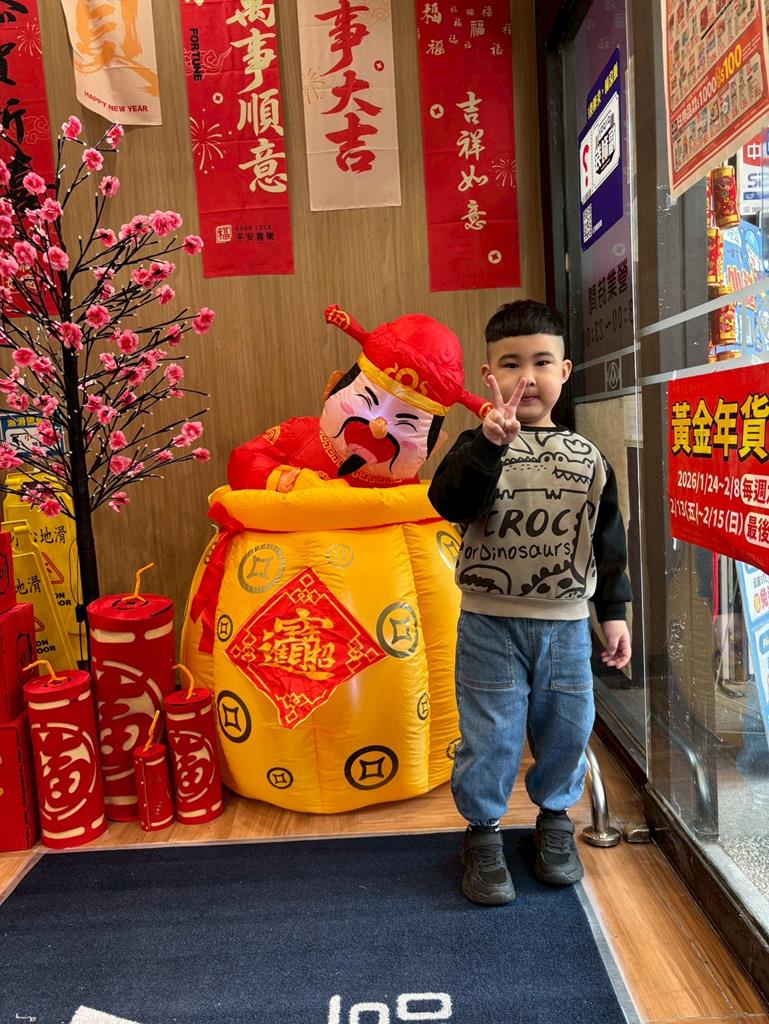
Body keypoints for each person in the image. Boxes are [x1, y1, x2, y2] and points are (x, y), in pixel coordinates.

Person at [428, 299, 632, 906]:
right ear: (488, 375)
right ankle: (483, 832)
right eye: (510, 364)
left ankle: (555, 821)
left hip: (565, 626)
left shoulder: (587, 457)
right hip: (488, 623)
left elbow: (608, 540)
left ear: (564, 371)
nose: (527, 378)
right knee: (490, 733)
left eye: (542, 362)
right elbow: (449, 502)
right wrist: (489, 446)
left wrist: (613, 614)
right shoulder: (477, 446)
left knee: (567, 727)